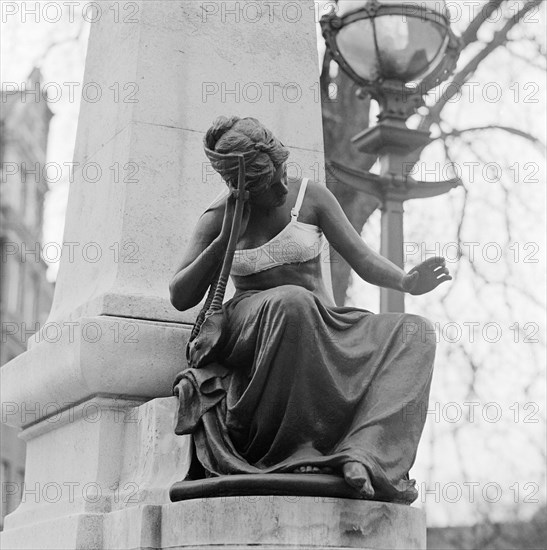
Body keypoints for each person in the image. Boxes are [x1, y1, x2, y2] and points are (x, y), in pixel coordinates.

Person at [170, 116, 451, 503]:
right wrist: (225, 238)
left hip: (323, 322)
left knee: (415, 333)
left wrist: (405, 281)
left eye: (282, 171)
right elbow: (180, 295)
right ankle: (298, 447)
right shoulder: (218, 218)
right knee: (291, 302)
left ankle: (364, 454)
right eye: (271, 183)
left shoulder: (312, 197)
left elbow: (362, 258)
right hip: (254, 325)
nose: (284, 185)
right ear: (242, 187)